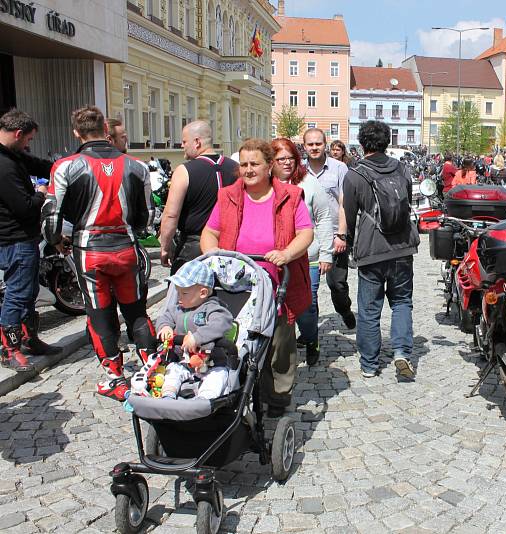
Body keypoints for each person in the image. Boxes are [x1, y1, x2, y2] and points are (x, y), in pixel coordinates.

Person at [44, 106, 157, 401]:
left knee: (100, 315)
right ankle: (154, 371)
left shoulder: (66, 166)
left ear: (76, 132)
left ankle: (115, 379)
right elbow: (148, 216)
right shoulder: (137, 166)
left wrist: (56, 241)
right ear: (106, 129)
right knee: (136, 311)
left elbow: (50, 215)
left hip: (89, 251)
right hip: (126, 248)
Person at [200, 138, 312, 417]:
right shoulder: (228, 195)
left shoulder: (290, 195)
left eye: (255, 164)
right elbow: (210, 232)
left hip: (277, 282)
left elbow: (306, 233)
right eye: (244, 164)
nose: (248, 170)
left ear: (269, 166)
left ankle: (277, 397)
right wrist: (212, 254)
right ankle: (234, 390)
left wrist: (286, 254)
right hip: (236, 284)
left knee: (278, 345)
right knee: (235, 339)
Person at [342, 120, 420, 379]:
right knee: (401, 302)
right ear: (387, 142)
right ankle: (401, 351)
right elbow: (406, 201)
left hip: (372, 249)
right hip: (402, 248)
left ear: (362, 143)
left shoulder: (355, 174)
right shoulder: (402, 169)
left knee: (369, 309)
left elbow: (350, 216)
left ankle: (369, 364)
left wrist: (352, 247)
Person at [0, 109, 60, 372]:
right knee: (17, 294)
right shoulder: (4, 166)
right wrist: (41, 193)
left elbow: (42, 165)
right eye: (28, 139)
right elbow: (24, 207)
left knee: (28, 292)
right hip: (15, 238)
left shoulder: (14, 155)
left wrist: (68, 166)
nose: (29, 145)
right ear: (17, 134)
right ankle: (9, 349)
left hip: (20, 238)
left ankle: (29, 339)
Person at [272, 137, 332, 366]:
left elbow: (324, 218)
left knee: (307, 304)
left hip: (309, 257)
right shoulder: (265, 184)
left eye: (291, 158)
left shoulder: (308, 182)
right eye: (281, 159)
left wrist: (326, 253)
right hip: (273, 258)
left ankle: (311, 338)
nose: (287, 163)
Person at [160, 121, 238, 275]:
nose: (182, 146)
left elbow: (171, 214)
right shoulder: (235, 168)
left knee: (186, 296)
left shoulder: (184, 171)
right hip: (229, 245)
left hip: (194, 247)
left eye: (184, 141)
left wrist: (165, 247)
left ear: (197, 142)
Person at [155, 260, 234, 400]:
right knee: (172, 371)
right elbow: (165, 317)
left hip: (212, 362)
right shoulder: (178, 309)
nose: (179, 297)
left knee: (219, 376)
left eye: (184, 293)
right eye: (177, 292)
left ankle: (205, 399)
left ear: (202, 293)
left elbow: (221, 323)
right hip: (184, 361)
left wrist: (197, 337)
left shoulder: (212, 309)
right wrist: (165, 327)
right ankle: (168, 394)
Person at [303, 128, 356, 330]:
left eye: (318, 143)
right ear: (305, 146)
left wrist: (341, 235)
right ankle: (310, 333)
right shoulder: (299, 169)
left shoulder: (339, 168)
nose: (314, 148)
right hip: (307, 237)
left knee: (337, 284)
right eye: (310, 144)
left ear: (325, 144)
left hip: (335, 235)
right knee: (309, 290)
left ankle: (344, 309)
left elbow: (344, 203)